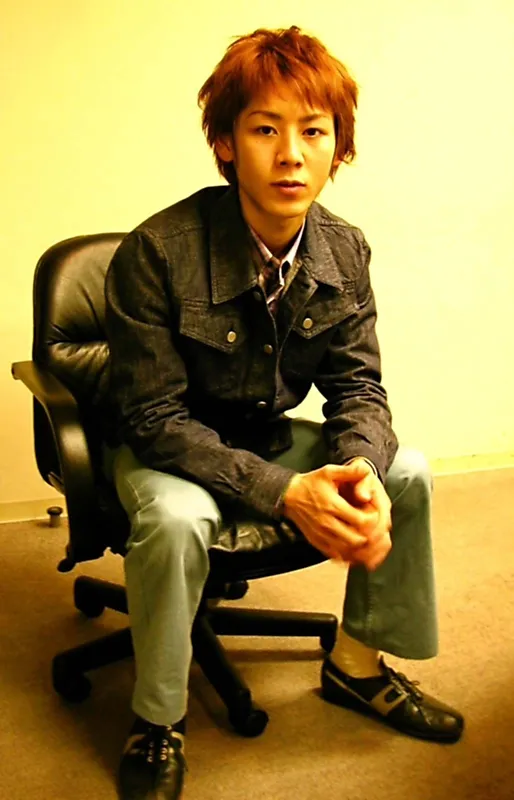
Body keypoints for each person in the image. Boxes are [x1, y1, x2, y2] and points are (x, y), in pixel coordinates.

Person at [104, 25, 464, 800]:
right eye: (265, 130)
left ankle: (356, 667)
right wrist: (285, 491)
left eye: (314, 132)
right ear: (226, 144)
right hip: (167, 449)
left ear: (340, 147)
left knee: (404, 470)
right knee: (176, 520)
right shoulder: (158, 251)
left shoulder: (345, 251)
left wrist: (358, 467)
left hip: (263, 436)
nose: (291, 155)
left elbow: (359, 387)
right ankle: (158, 720)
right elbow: (154, 417)